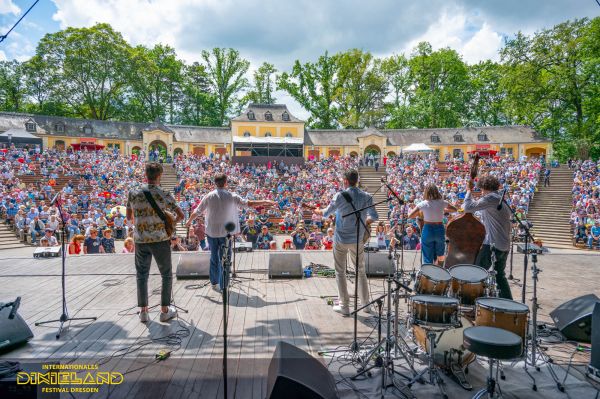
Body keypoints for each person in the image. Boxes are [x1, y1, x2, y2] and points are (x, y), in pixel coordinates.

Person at [186, 173, 274, 293]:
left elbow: (197, 211)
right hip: (225, 235)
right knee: (225, 260)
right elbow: (250, 203)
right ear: (226, 182)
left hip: (211, 233)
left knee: (214, 258)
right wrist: (265, 201)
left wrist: (189, 221)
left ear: (215, 183)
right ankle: (224, 285)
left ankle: (214, 283)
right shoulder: (232, 196)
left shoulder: (208, 196)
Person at [312, 169, 378, 316]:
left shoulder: (340, 196)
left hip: (341, 239)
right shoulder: (366, 196)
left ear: (346, 181)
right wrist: (364, 222)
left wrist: (317, 211)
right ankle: (366, 305)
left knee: (340, 272)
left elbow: (326, 213)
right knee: (360, 271)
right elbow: (374, 216)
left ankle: (344, 306)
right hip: (357, 239)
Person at [127, 162, 184, 323]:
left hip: (140, 239)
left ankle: (143, 311)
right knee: (166, 274)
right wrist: (170, 223)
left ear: (145, 174)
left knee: (141, 275)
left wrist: (141, 223)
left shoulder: (133, 192)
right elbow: (180, 214)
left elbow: (128, 217)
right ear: (159, 176)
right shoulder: (164, 193)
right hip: (160, 239)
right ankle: (164, 311)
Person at [463, 175, 513, 300]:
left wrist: (469, 190)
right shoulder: (500, 198)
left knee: (476, 272)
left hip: (492, 244)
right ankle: (508, 303)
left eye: (481, 189)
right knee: (499, 276)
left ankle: (471, 302)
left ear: (485, 188)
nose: (481, 191)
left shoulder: (491, 198)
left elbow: (467, 208)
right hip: (504, 245)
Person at [407, 184, 457, 265]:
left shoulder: (423, 203)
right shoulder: (442, 202)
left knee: (427, 255)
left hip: (428, 229)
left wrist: (420, 212)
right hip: (439, 229)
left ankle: (428, 274)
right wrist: (444, 210)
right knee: (440, 253)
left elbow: (410, 215)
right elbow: (454, 209)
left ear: (426, 192)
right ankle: (440, 270)